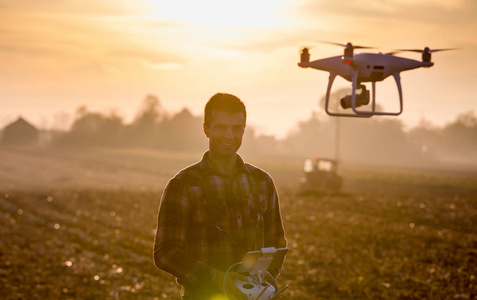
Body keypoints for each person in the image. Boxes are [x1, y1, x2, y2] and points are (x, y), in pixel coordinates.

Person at [153, 93, 287, 300]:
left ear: (244, 129)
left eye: (236, 128)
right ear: (206, 129)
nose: (230, 135)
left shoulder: (262, 183)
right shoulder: (183, 185)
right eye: (221, 127)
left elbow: (276, 241)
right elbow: (166, 252)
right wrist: (217, 278)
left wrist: (265, 275)